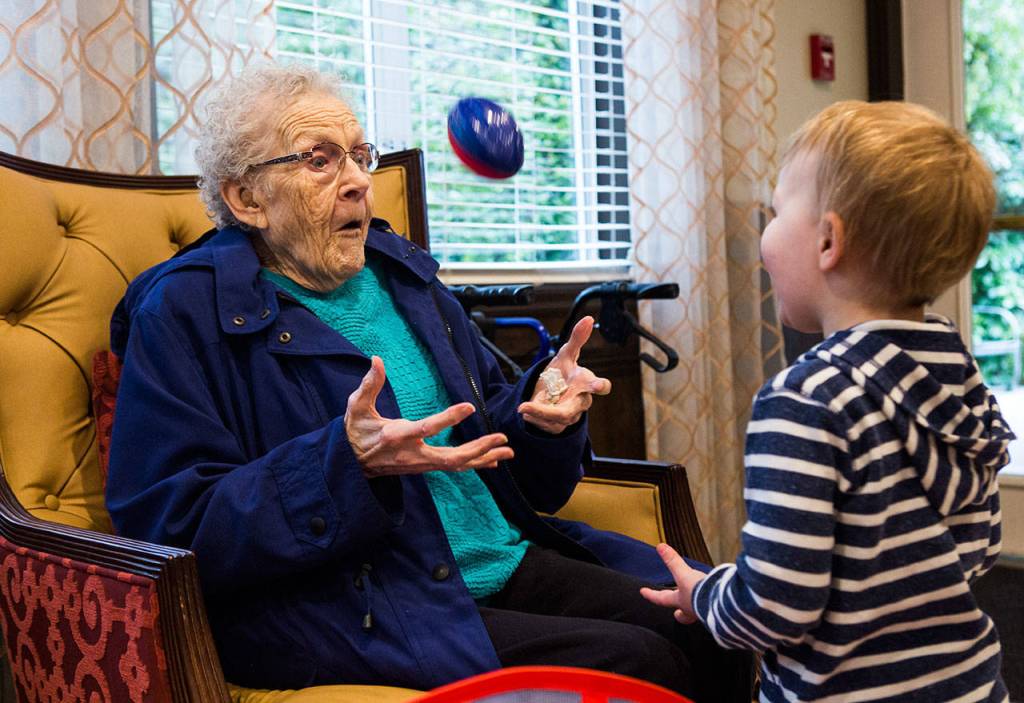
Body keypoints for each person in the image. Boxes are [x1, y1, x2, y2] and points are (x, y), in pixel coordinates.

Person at [105, 63, 751, 700]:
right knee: (638, 663)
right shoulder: (184, 311)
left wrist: (542, 414)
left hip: (499, 560)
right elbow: (169, 523)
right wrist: (344, 462)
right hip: (361, 601)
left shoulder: (400, 275)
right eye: (321, 160)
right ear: (246, 198)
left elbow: (499, 446)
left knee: (713, 622)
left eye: (361, 155)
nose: (361, 181)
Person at [641, 100, 1013, 702]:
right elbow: (981, 548)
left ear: (827, 241)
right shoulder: (956, 374)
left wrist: (705, 594)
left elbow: (774, 609)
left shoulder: (805, 400)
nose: (767, 228)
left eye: (777, 210)